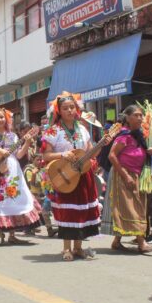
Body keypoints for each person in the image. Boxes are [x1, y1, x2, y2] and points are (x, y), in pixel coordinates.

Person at [42, 93, 102, 260]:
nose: (69, 110)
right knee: (68, 212)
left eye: (72, 107)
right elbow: (46, 156)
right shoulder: (53, 131)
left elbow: (90, 151)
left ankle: (78, 247)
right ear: (58, 111)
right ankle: (66, 248)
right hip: (65, 175)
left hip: (83, 175)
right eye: (65, 108)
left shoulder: (83, 129)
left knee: (82, 212)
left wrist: (103, 143)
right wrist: (62, 155)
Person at [0, 106, 41, 245]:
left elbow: (19, 154)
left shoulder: (13, 136)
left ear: (6, 119)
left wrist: (26, 142)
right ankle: (1, 233)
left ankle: (12, 234)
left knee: (13, 199)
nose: (0, 120)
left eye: (2, 117)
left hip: (12, 170)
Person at [102, 105, 152, 253]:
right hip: (123, 174)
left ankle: (117, 242)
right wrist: (125, 176)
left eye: (141, 115)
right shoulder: (123, 135)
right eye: (136, 115)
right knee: (133, 208)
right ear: (127, 118)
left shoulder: (138, 135)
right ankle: (141, 242)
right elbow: (112, 156)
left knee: (132, 208)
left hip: (136, 175)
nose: (139, 118)